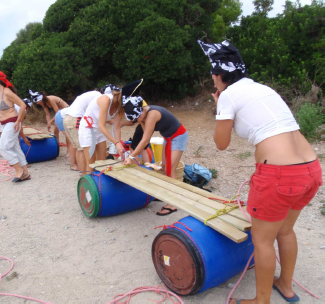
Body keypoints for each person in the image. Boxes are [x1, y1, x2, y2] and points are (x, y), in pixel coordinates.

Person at [197, 39, 322, 304]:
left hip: (279, 174)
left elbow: (221, 144)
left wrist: (220, 104)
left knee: (262, 240)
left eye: (213, 77)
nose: (213, 82)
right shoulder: (263, 88)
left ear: (219, 75)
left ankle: (261, 301)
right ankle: (285, 286)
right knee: (285, 231)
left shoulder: (228, 95)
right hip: (310, 168)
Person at [121, 96, 188, 216]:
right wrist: (139, 121)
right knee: (164, 168)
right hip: (168, 138)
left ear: (141, 110)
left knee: (169, 170)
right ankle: (168, 195)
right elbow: (144, 135)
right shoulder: (142, 116)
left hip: (178, 137)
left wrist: (131, 157)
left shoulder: (152, 114)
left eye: (137, 118)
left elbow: (146, 140)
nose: (137, 121)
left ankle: (172, 204)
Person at [0, 71, 30, 182]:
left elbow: (22, 105)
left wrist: (18, 121)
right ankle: (25, 172)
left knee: (3, 148)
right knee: (15, 147)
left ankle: (18, 170)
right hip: (5, 123)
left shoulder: (7, 92)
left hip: (12, 122)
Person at [79, 85, 125, 173]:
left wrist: (119, 145)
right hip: (88, 129)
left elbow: (116, 127)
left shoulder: (120, 106)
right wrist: (116, 142)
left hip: (99, 131)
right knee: (91, 164)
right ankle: (88, 185)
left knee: (102, 163)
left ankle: (100, 185)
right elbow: (101, 125)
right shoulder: (106, 99)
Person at [63, 90, 102, 172]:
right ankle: (84, 174)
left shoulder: (91, 94)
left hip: (69, 117)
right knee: (82, 148)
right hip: (76, 118)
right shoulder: (99, 96)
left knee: (78, 147)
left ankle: (82, 172)